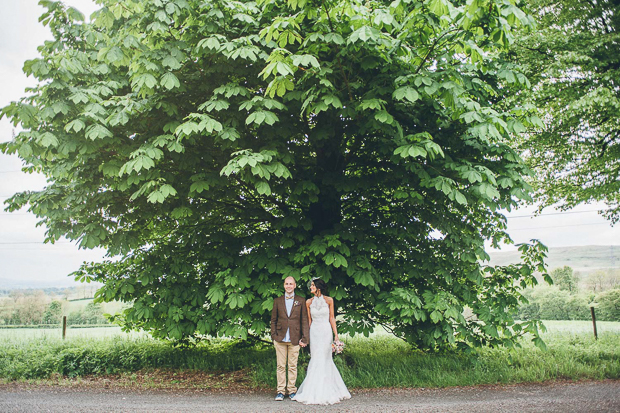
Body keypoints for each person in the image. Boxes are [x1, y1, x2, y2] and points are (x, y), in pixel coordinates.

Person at [293, 278, 351, 405]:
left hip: (325, 331)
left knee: (325, 358)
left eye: (313, 286)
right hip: (314, 332)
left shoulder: (329, 300)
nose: (311, 288)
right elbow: (309, 321)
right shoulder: (308, 302)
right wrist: (306, 337)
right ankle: (313, 390)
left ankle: (328, 389)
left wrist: (336, 335)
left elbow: (331, 317)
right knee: (315, 357)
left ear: (318, 287)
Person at [270, 276, 310, 401]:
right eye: (286, 284)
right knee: (281, 366)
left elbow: (304, 320)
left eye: (291, 284)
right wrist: (274, 336)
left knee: (292, 366)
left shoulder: (301, 300)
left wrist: (304, 338)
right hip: (280, 339)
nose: (288, 286)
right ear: (284, 285)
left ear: (295, 285)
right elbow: (273, 320)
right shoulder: (277, 301)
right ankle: (280, 391)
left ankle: (292, 390)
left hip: (295, 338)